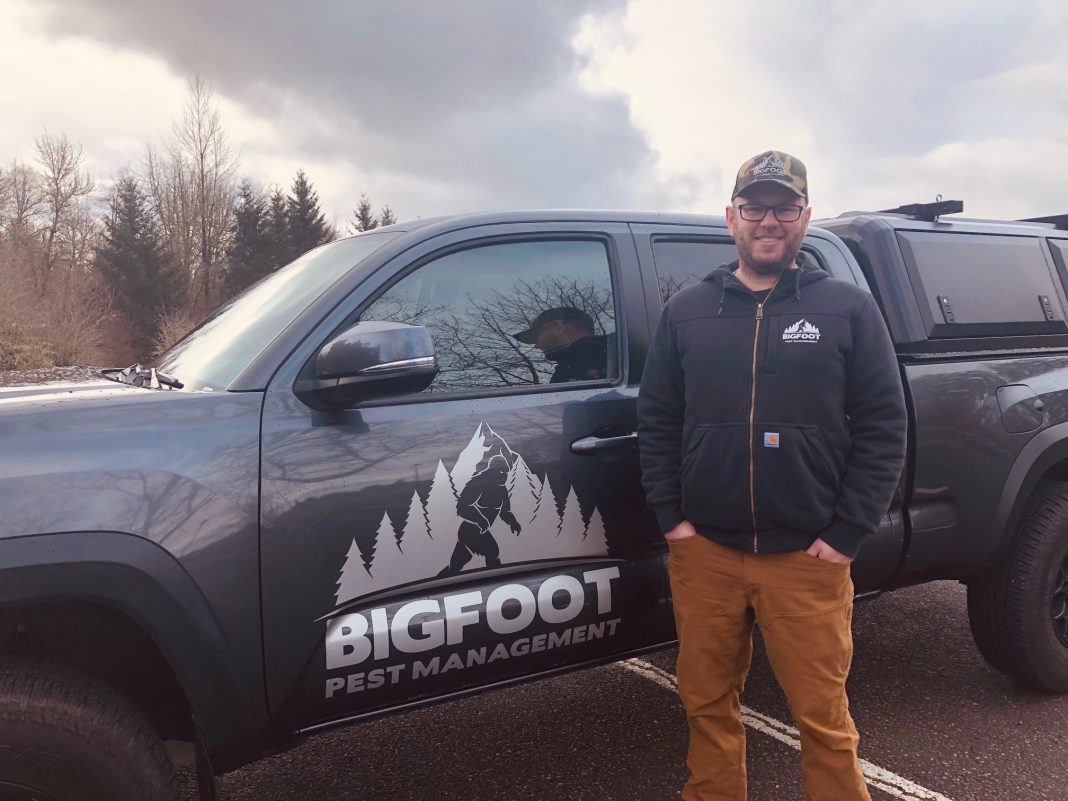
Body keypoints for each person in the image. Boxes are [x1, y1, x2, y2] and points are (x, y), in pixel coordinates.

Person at [637, 150, 906, 801]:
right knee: (706, 705)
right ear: (731, 217)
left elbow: (883, 425)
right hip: (706, 555)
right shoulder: (688, 312)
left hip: (807, 558)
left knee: (823, 718)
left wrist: (845, 534)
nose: (768, 219)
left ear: (805, 218)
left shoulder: (847, 309)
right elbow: (657, 420)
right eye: (755, 206)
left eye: (784, 207)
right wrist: (673, 520)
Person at [439, 454, 520, 576]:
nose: (504, 475)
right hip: (469, 531)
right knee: (492, 551)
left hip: (480, 531)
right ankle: (497, 581)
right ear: (492, 471)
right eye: (501, 471)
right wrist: (479, 519)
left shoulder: (502, 490)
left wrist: (513, 522)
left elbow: (505, 512)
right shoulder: (479, 482)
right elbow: (462, 507)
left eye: (506, 471)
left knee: (456, 566)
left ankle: (438, 583)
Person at [513, 306, 607, 383]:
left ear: (557, 326)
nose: (537, 346)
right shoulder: (609, 355)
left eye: (537, 336)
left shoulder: (579, 362)